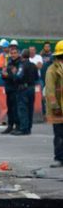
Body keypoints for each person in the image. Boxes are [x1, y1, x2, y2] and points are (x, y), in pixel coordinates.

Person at [44, 40, 63, 168]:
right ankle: (59, 157)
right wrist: (55, 106)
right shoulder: (52, 70)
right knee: (59, 135)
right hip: (57, 108)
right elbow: (50, 90)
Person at [13, 49, 39, 136]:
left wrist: (14, 74)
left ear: (22, 55)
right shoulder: (33, 65)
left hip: (23, 89)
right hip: (32, 88)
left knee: (22, 108)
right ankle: (28, 128)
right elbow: (36, 77)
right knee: (30, 108)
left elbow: (18, 77)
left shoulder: (22, 65)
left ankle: (24, 128)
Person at [1, 45, 22, 134]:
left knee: (15, 109)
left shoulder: (20, 64)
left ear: (18, 54)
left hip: (16, 89)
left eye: (14, 53)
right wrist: (3, 75)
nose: (13, 55)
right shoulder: (9, 63)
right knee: (9, 108)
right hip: (9, 89)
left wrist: (8, 75)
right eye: (11, 53)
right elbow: (5, 76)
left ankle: (18, 126)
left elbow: (18, 78)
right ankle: (10, 125)